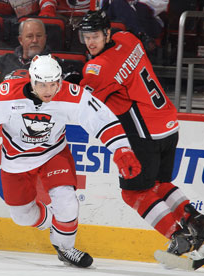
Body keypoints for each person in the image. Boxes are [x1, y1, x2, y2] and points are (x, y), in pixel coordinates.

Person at [0, 54, 141, 267]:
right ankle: (56, 223)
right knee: (22, 217)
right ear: (32, 81)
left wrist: (121, 150)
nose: (49, 90)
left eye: (54, 83)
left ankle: (65, 248)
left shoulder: (70, 94)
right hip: (15, 161)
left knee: (67, 202)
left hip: (53, 154)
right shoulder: (7, 96)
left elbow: (102, 120)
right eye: (42, 84)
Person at [78, 10, 204, 260]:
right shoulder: (128, 38)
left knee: (133, 192)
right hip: (169, 122)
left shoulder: (97, 68)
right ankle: (198, 222)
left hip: (146, 132)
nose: (90, 42)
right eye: (86, 36)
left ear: (106, 33)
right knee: (158, 184)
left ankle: (177, 237)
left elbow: (83, 101)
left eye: (95, 36)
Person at [0, 18, 83, 98]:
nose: (34, 40)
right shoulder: (3, 61)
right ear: (21, 40)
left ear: (45, 38)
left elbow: (74, 88)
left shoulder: (58, 64)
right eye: (29, 36)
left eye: (39, 36)